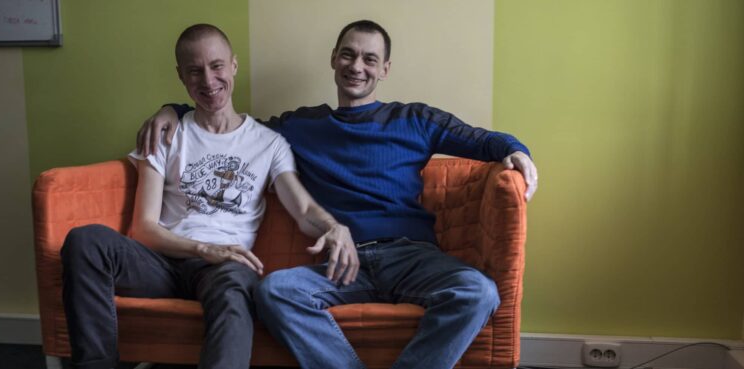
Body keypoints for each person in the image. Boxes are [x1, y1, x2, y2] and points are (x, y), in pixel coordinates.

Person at [137, 19, 538, 369]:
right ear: (333, 59)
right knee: (274, 292)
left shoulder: (414, 119)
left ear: (385, 68)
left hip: (411, 255)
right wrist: (170, 109)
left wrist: (516, 151)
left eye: (368, 59)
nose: (356, 67)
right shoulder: (299, 127)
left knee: (479, 292)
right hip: (341, 264)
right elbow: (229, 123)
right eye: (348, 55)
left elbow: (482, 140)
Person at [61, 24, 354, 369]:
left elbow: (303, 209)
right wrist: (201, 249)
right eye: (195, 71)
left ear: (234, 66)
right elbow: (143, 229)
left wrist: (334, 227)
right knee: (85, 240)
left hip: (225, 269)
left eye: (216, 66)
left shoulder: (269, 143)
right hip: (161, 263)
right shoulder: (167, 134)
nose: (208, 80)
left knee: (234, 286)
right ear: (181, 77)